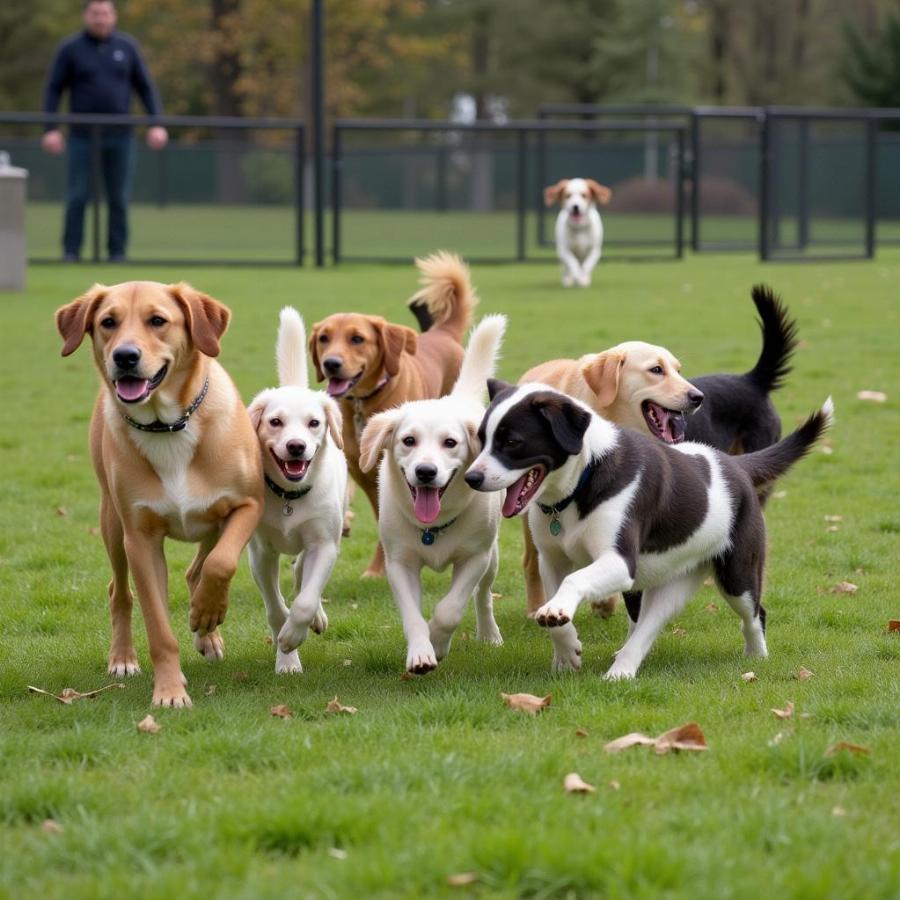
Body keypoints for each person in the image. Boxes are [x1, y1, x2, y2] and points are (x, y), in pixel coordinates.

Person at [41, 0, 168, 262]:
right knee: (77, 195)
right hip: (81, 136)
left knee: (118, 197)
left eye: (106, 13)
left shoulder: (127, 47)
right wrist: (50, 128)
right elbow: (54, 89)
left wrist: (157, 123)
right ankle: (71, 251)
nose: (101, 19)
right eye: (96, 14)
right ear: (86, 15)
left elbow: (145, 87)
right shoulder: (71, 49)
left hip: (120, 136)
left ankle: (117, 252)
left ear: (114, 16)